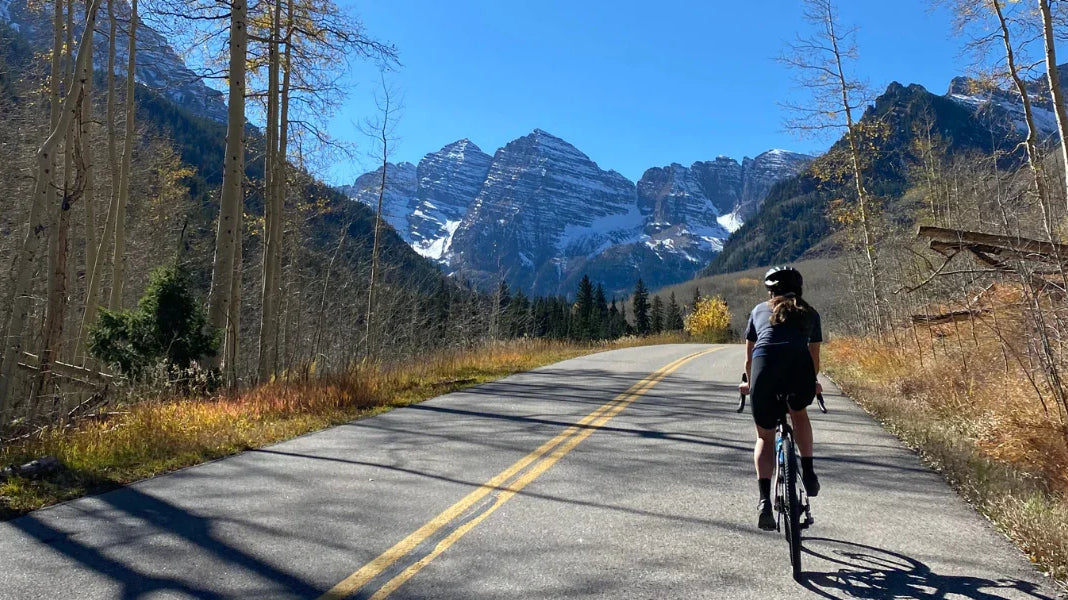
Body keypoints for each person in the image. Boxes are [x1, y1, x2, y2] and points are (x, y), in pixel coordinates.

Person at [739, 265, 823, 531]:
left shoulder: (758, 311)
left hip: (764, 369)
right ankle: (808, 472)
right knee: (798, 412)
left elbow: (750, 358)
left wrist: (749, 384)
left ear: (770, 290)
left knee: (764, 436)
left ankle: (765, 500)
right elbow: (814, 359)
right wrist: (812, 383)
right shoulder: (810, 313)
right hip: (799, 369)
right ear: (799, 289)